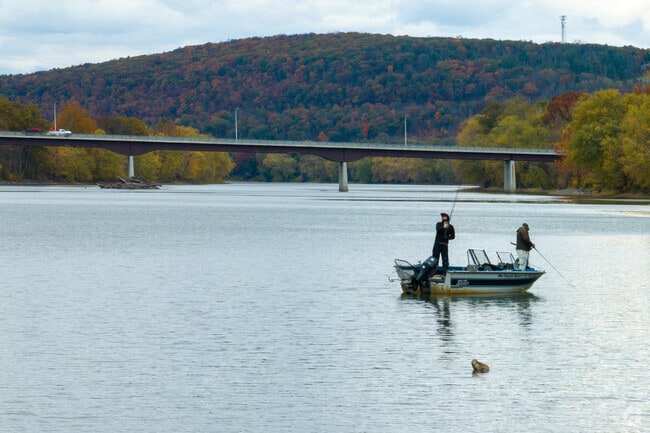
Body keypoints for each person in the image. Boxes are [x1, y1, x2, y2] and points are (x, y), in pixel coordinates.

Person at [415, 212, 456, 284]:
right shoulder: (438, 224)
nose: (443, 218)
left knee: (445, 260)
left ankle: (444, 273)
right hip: (437, 244)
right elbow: (438, 230)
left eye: (444, 216)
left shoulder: (450, 226)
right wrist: (444, 227)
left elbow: (453, 236)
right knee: (434, 259)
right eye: (442, 217)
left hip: (444, 245)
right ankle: (432, 273)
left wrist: (448, 237)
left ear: (447, 217)